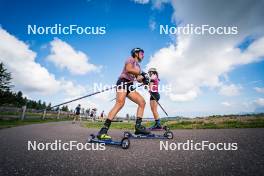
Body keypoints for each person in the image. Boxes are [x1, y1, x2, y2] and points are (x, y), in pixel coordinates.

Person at [97, 48, 150, 139]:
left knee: (142, 102)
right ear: (136, 53)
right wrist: (143, 73)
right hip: (123, 82)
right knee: (120, 103)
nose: (143, 55)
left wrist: (145, 80)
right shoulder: (130, 59)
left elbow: (137, 79)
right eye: (141, 53)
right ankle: (103, 131)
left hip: (129, 85)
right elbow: (129, 69)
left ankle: (138, 127)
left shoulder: (138, 66)